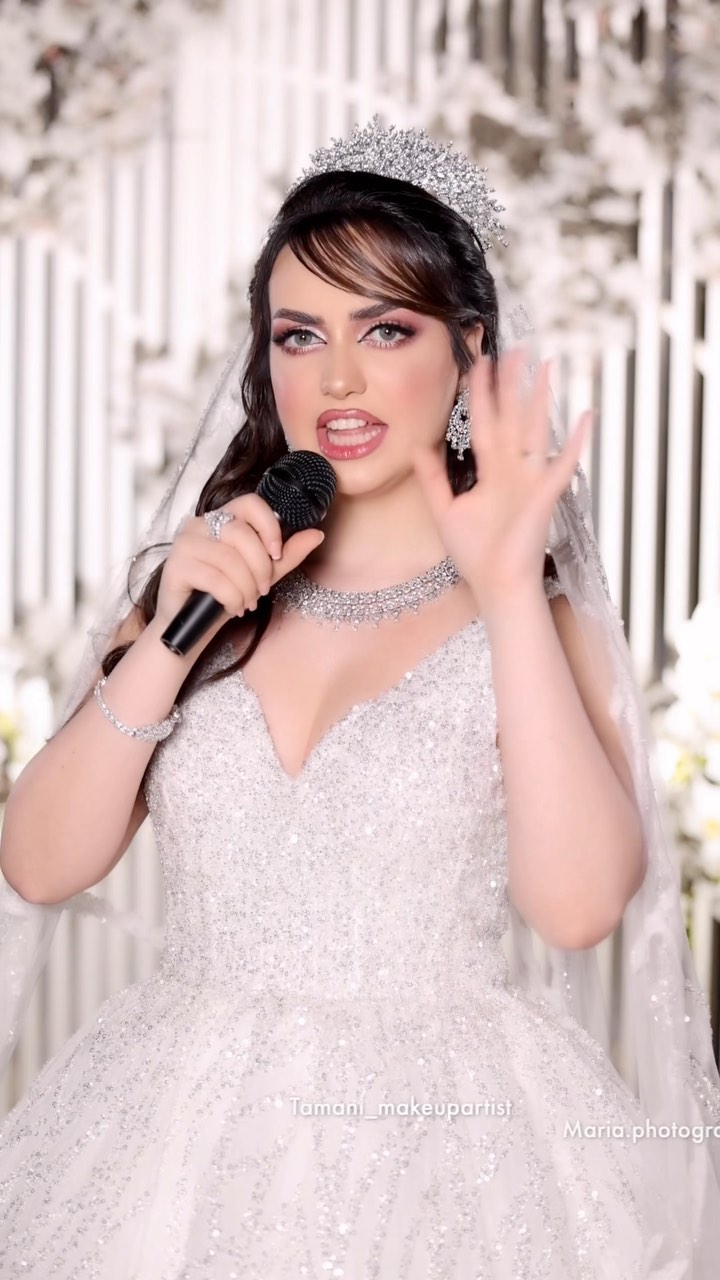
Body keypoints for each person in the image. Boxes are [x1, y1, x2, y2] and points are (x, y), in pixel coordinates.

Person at [0, 117, 718, 1278]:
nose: (336, 377)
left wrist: (503, 591)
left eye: (385, 328)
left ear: (467, 350)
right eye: (300, 334)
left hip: (448, 1143)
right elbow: (36, 864)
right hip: (170, 1132)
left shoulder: (537, 622)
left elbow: (581, 906)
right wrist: (172, 637)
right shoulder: (201, 587)